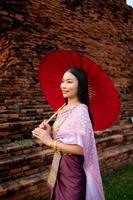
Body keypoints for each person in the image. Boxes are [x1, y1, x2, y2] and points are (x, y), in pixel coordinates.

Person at [32, 67, 105, 200]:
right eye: (62, 81)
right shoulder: (62, 109)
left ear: (80, 86)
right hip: (59, 164)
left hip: (72, 169)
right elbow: (64, 138)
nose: (63, 85)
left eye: (69, 82)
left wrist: (49, 141)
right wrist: (49, 131)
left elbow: (81, 149)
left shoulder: (81, 111)